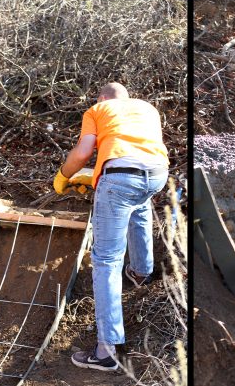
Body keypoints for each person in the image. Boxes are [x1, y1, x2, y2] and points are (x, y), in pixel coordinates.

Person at [53, 82, 169, 370]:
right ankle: (142, 272)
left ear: (103, 97)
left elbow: (82, 153)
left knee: (105, 259)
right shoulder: (148, 109)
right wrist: (96, 177)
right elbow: (133, 154)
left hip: (120, 179)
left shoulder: (97, 109)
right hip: (156, 175)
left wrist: (64, 175)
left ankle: (106, 352)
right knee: (139, 203)